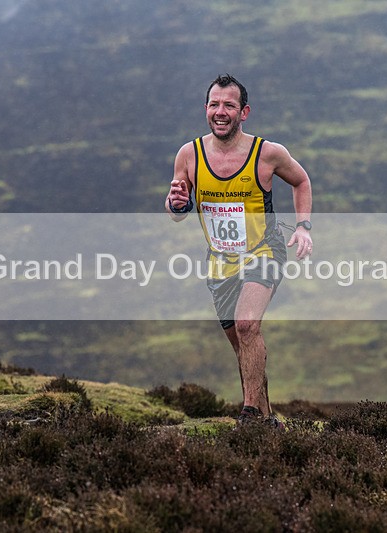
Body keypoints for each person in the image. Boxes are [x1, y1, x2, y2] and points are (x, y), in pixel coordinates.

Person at [165, 74, 313, 428]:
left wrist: (304, 227)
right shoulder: (189, 154)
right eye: (214, 105)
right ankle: (266, 420)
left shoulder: (268, 154)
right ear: (206, 110)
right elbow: (176, 213)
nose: (220, 112)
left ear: (243, 112)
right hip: (220, 262)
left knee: (248, 325)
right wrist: (176, 204)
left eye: (228, 105)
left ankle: (247, 413)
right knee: (243, 344)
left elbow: (302, 181)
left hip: (264, 250)